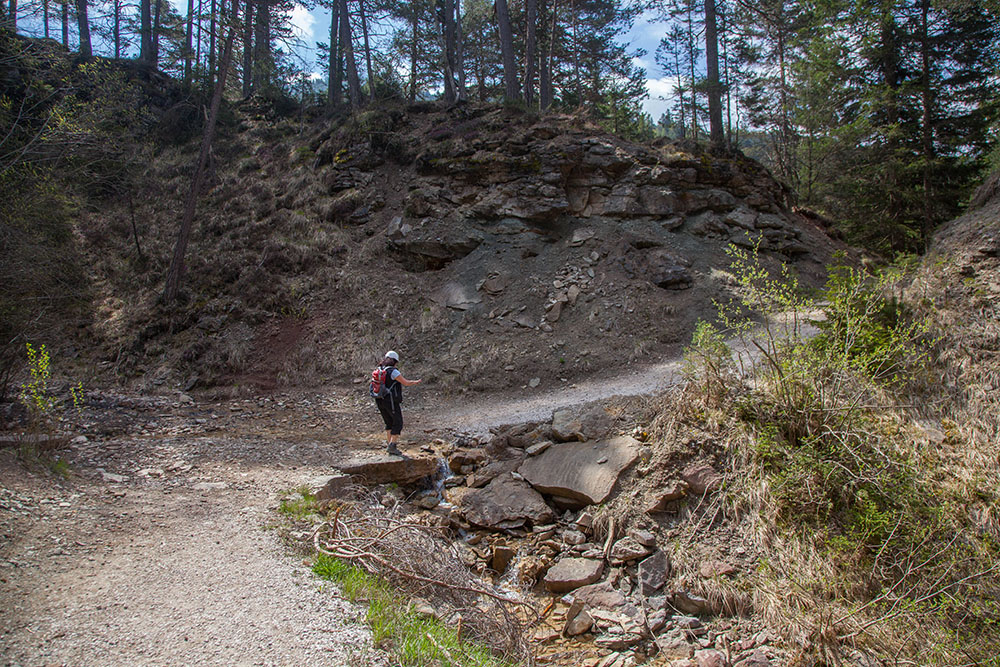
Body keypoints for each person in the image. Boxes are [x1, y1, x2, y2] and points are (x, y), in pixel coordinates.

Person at [374, 350, 421, 456]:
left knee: (388, 422)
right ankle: (392, 446)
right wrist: (415, 382)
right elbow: (406, 382)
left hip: (379, 399)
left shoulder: (379, 369)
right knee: (398, 422)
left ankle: (390, 443)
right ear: (395, 361)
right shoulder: (393, 372)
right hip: (390, 401)